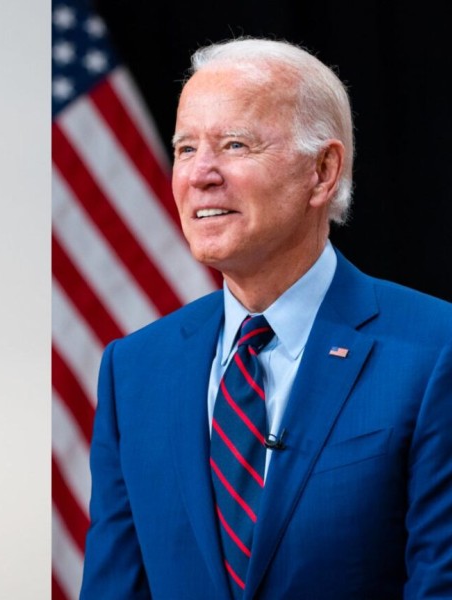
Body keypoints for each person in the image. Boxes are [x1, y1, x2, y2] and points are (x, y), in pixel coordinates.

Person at [79, 36, 452, 599]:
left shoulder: (433, 350)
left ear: (323, 172)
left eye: (234, 144)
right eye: (185, 148)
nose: (200, 174)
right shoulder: (133, 370)